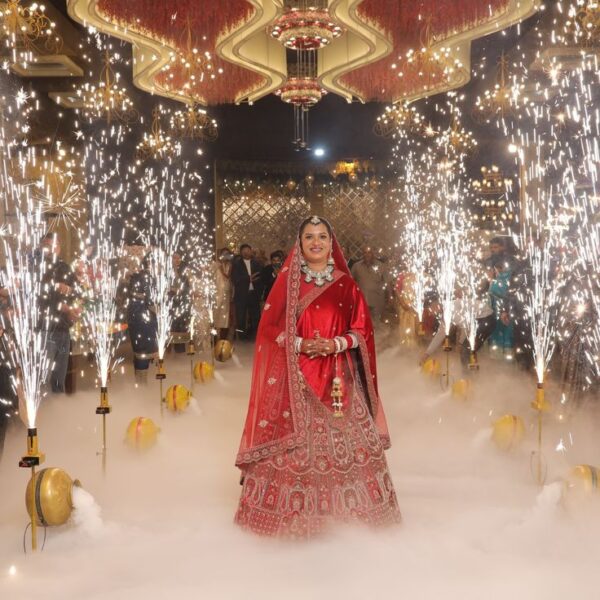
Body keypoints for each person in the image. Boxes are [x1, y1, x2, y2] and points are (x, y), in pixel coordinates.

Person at [235, 216, 400, 538]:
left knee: (349, 447)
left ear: (331, 242)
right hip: (294, 378)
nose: (316, 242)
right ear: (299, 243)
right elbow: (269, 330)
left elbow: (362, 330)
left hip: (340, 380)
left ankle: (352, 523)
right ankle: (289, 524)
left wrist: (336, 343)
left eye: (322, 236)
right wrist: (300, 344)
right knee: (294, 453)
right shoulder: (288, 284)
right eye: (309, 236)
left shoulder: (346, 284)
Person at [39, 234, 80, 394]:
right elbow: (40, 299)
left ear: (59, 247)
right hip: (45, 331)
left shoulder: (64, 267)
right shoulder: (38, 268)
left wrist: (70, 292)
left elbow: (76, 292)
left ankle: (59, 407)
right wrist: (61, 306)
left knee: (59, 380)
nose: (51, 249)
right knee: (43, 379)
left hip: (63, 330)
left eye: (54, 246)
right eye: (47, 246)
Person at [127, 252, 158, 382]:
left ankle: (139, 383)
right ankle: (142, 385)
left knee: (138, 349)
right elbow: (151, 301)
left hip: (133, 316)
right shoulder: (149, 277)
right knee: (145, 350)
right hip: (145, 317)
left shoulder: (136, 276)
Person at [231, 243, 263, 340]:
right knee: (240, 317)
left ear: (251, 251)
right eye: (243, 251)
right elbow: (235, 279)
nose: (246, 253)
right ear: (241, 253)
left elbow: (261, 277)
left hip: (254, 294)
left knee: (255, 316)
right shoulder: (236, 264)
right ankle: (241, 337)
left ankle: (255, 336)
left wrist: (258, 286)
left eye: (247, 250)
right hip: (241, 295)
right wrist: (249, 278)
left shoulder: (257, 263)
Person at [351, 245, 387, 324]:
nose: (367, 255)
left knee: (377, 325)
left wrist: (387, 301)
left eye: (369, 252)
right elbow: (350, 283)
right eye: (365, 252)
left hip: (377, 302)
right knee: (362, 324)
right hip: (362, 302)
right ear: (362, 254)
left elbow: (387, 283)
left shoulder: (381, 266)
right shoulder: (356, 266)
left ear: (373, 254)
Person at [169, 253, 192, 353]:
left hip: (182, 299)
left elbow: (189, 286)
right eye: (175, 258)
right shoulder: (167, 270)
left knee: (182, 322)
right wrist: (171, 289)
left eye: (179, 258)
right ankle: (169, 346)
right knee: (172, 322)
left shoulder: (184, 270)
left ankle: (180, 347)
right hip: (171, 300)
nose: (177, 260)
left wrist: (181, 290)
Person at [213, 248, 234, 340]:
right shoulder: (215, 264)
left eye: (227, 254)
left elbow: (229, 277)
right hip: (216, 293)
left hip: (226, 293)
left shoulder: (230, 265)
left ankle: (222, 338)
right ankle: (214, 336)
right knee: (215, 314)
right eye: (223, 254)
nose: (225, 256)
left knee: (224, 316)